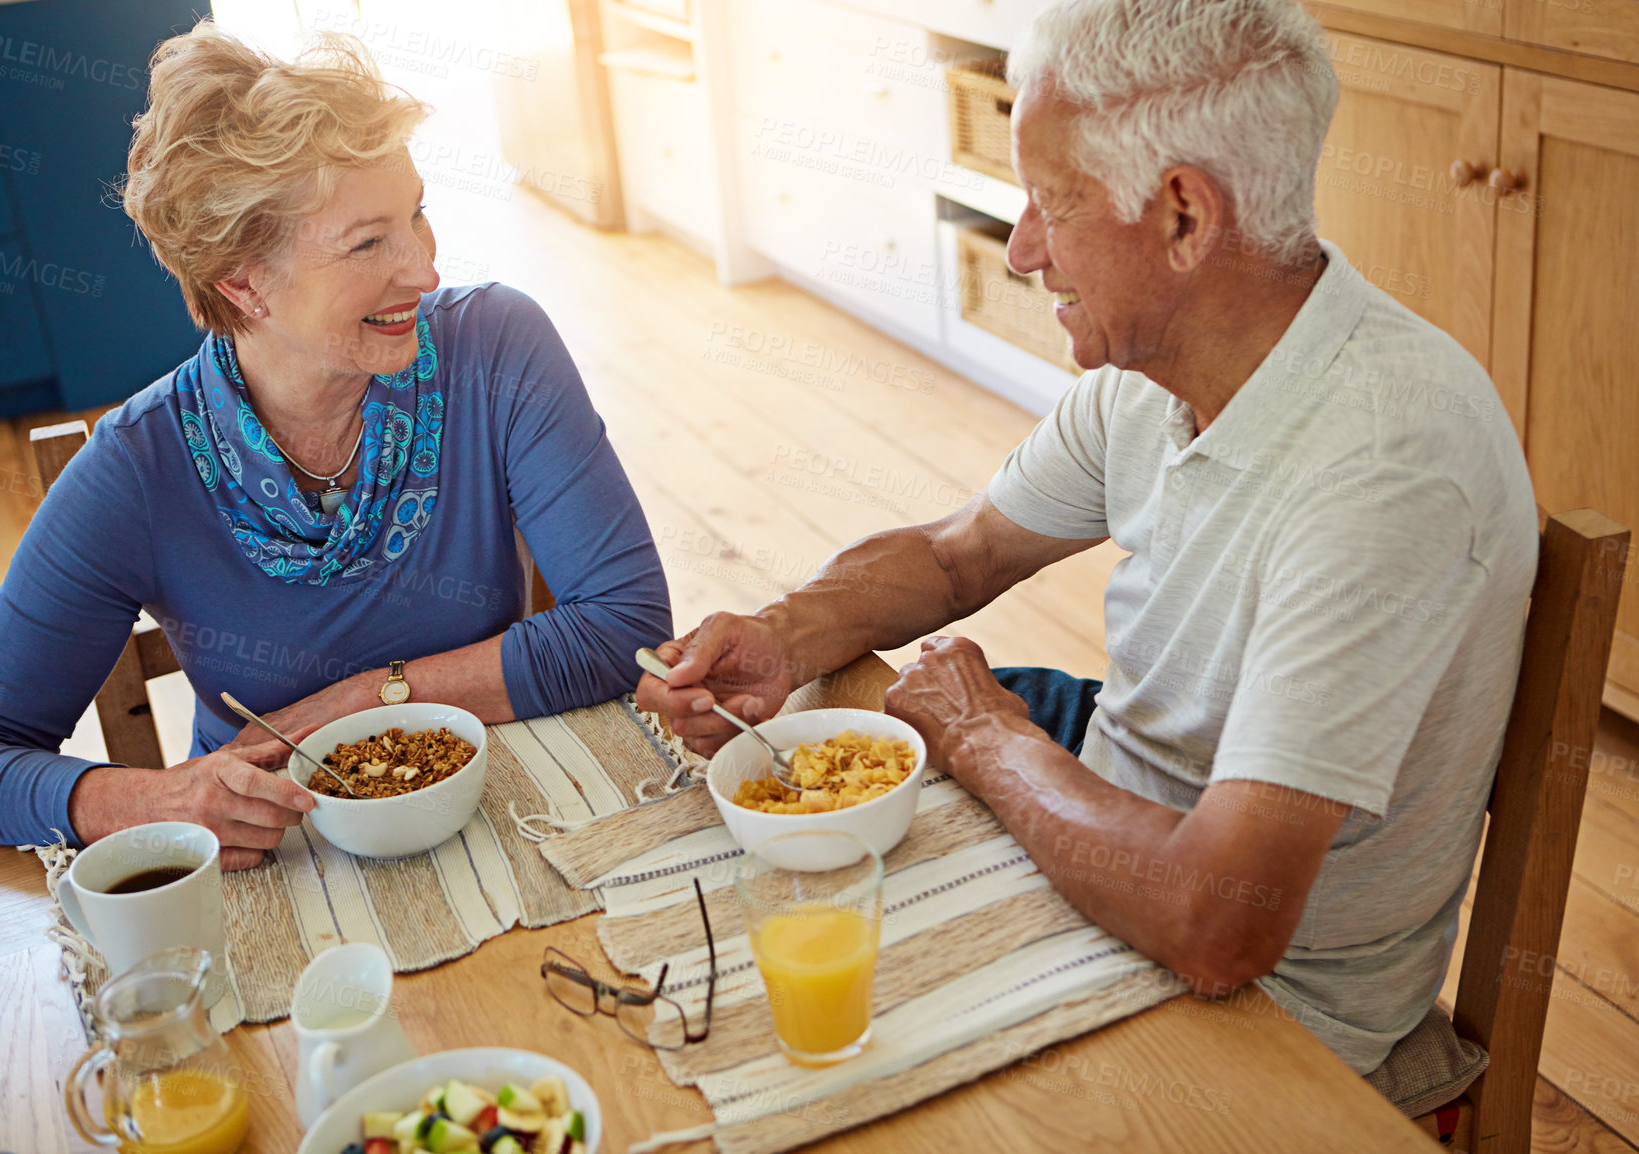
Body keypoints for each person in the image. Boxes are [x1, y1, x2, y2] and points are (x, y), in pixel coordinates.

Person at [636, 0, 1536, 1077]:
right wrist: (784, 634)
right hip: (1102, 828)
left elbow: (1218, 926)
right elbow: (959, 553)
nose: (1020, 249)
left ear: (1183, 218)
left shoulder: (1389, 467)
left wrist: (985, 737)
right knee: (731, 937)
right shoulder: (1163, 365)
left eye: (1051, 203)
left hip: (1266, 1010)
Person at [0, 23, 671, 869]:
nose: (423, 267)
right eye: (368, 242)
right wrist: (148, 798)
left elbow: (621, 628)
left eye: (416, 213)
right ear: (243, 282)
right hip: (280, 866)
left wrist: (356, 702)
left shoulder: (495, 344)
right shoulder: (136, 471)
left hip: (504, 819)